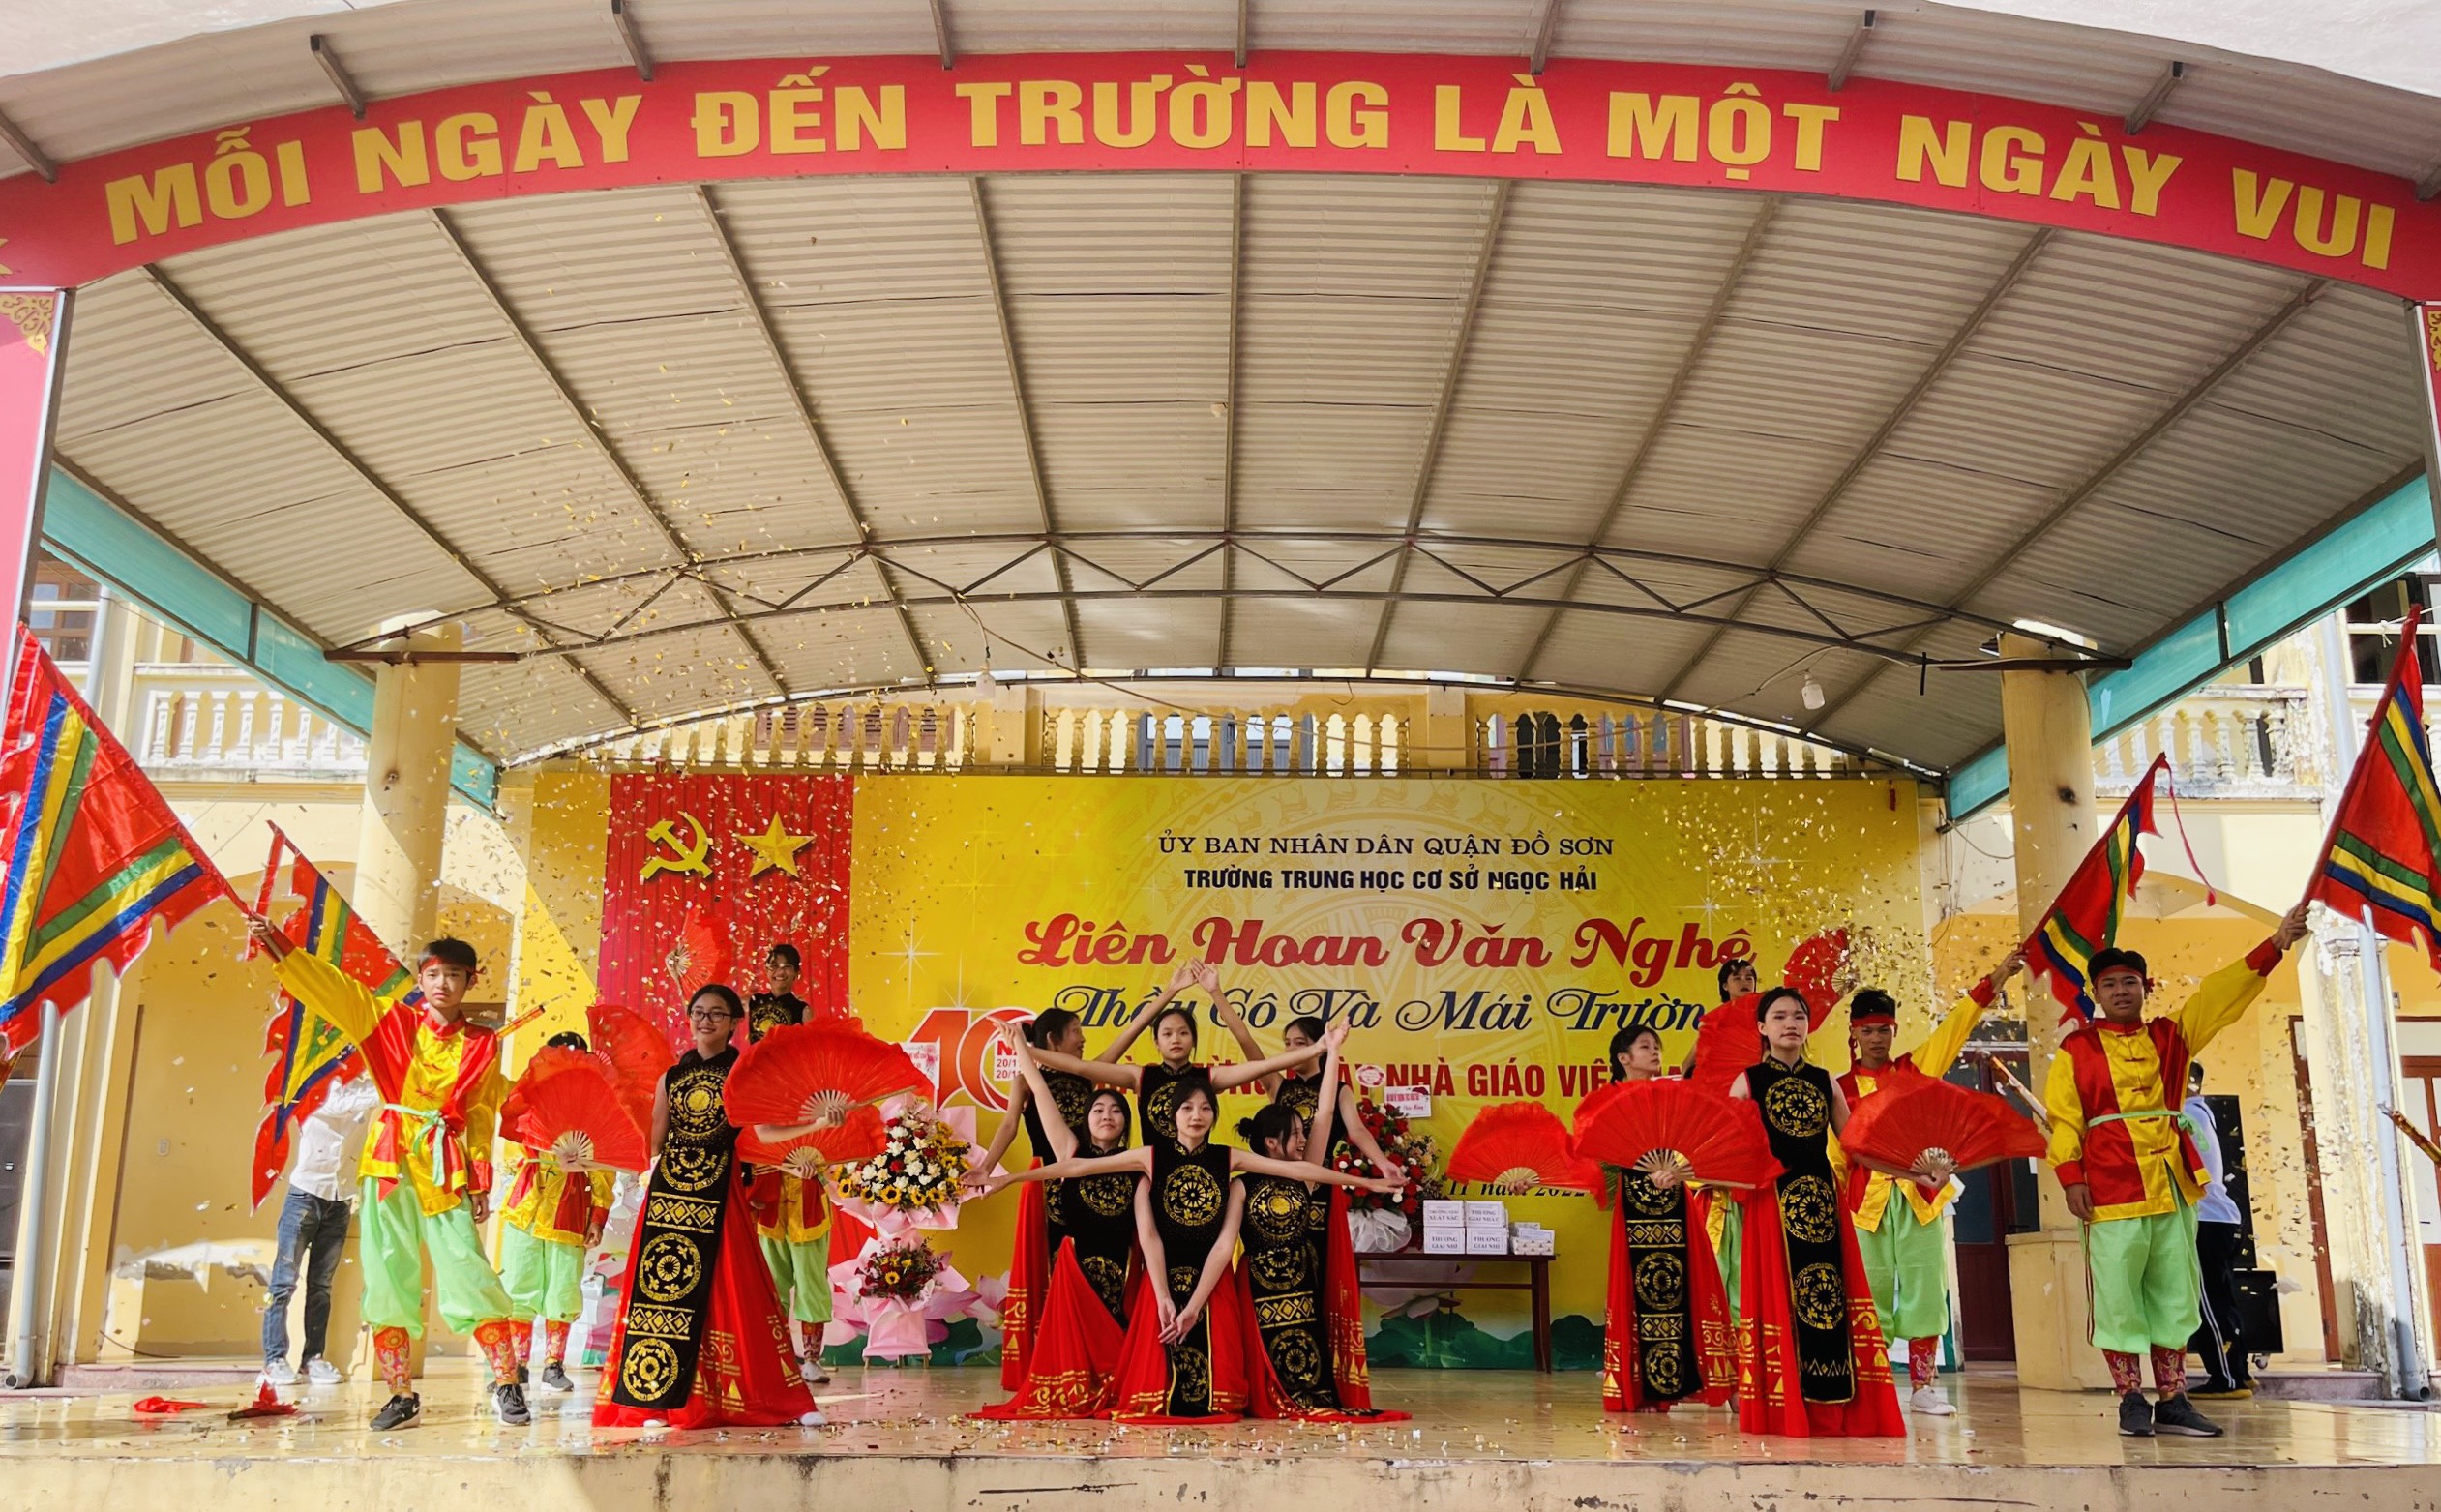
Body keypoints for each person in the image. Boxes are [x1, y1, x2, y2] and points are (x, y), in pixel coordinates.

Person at [971, 1069, 1398, 1422]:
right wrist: (1009, 1178)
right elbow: (1084, 1173)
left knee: (1219, 1402)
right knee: (1152, 1397)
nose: (1196, 1115)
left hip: (1213, 1284)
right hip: (1162, 1280)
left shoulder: (1228, 1159)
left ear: (1214, 1115)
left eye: (1205, 1108)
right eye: (1188, 1108)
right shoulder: (1150, 1157)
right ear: (1172, 1114)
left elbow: (1301, 1174)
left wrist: (1367, 1182)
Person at [246, 915, 529, 1430]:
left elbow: (482, 1113)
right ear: (421, 979)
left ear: (471, 981)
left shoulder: (482, 1044)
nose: (444, 984)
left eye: (455, 975)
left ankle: (508, 1383)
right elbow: (333, 988)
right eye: (435, 974)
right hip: (389, 1163)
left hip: (444, 1165)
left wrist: (480, 1179)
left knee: (469, 1269)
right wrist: (277, 944)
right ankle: (401, 1394)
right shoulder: (387, 1021)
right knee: (388, 1276)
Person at [2043, 903, 2307, 1439]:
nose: (2121, 991)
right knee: (2117, 1293)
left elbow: (2218, 995)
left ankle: (2173, 1399)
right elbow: (2064, 1119)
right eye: (2110, 984)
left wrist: (2276, 944)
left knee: (2175, 1293)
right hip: (2109, 1188)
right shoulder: (2075, 1048)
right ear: (2096, 992)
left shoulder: (2173, 1036)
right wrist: (2071, 1177)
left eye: (2130, 982)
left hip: (2171, 1184)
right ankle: (2129, 1399)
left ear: (2146, 987)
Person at [592, 985, 819, 1430]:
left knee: (736, 1292)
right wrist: (600, 1147)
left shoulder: (744, 1073)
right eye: (699, 1012)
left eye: (717, 1014)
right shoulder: (671, 1078)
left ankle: (777, 1399)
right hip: (668, 1196)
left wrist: (816, 1124)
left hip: (720, 1192)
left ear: (735, 1023)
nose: (706, 1021)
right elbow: (652, 1145)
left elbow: (763, 1133)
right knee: (661, 1294)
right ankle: (655, 1401)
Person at [1835, 945, 2022, 1417]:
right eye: (1867, 1031)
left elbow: (1955, 1027)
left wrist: (1996, 979)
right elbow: (1837, 1156)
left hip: (1919, 1197)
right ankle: (1873, 1387)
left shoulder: (1913, 1071)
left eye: (1884, 1030)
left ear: (1895, 1030)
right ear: (1853, 1033)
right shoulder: (1839, 1088)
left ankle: (1922, 1387)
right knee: (1869, 1293)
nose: (1876, 1039)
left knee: (1925, 1289)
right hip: (1864, 1204)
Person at [1730, 988, 1904, 1438]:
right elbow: (1727, 1150)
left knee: (1826, 1299)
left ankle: (1830, 1407)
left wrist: (1912, 1168)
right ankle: (1784, 1407)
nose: (1790, 1024)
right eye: (1779, 1016)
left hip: (1822, 1201)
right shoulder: (1747, 1083)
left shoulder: (1825, 1081)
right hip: (1772, 1201)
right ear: (1762, 1027)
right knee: (1781, 1296)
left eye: (1798, 1016)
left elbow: (1857, 1145)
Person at [1234, 1025, 1406, 1421]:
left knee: (1311, 1309)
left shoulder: (1307, 1176)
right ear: (1271, 1141)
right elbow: (1226, 1243)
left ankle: (1313, 1387)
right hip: (1256, 1280)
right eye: (1295, 1133)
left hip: (1302, 1262)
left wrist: (1334, 1050)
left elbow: (1327, 1115)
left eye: (1302, 1132)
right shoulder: (1242, 1181)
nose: (1303, 1138)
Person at [967, 1000, 1138, 1389]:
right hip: (1046, 1181)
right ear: (1052, 1038)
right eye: (1076, 1031)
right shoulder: (1027, 1079)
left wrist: (1163, 999)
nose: (1083, 1039)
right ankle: (1053, 1358)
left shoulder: (1086, 1074)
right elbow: (1009, 1124)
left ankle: (1097, 1353)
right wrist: (988, 1168)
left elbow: (1128, 1036)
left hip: (1087, 1177)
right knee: (1051, 1268)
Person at [1026, 961, 1331, 1144]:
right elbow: (1080, 1068)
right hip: (1151, 1175)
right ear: (1156, 1042)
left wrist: (1318, 1048)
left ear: (1193, 1041)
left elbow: (1260, 1061)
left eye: (1184, 1033)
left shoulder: (1208, 1077)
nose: (1176, 1040)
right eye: (1167, 1034)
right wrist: (1027, 1051)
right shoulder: (1140, 1076)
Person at [1594, 1023, 1734, 1414]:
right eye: (1645, 1047)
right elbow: (1592, 1158)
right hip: (1634, 1202)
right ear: (1624, 1058)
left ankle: (1694, 1381)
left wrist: (1679, 1168)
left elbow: (1696, 1141)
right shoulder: (1608, 1103)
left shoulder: (1673, 1093)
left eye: (1657, 1046)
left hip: (1675, 1197)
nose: (1655, 1052)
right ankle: (1644, 1388)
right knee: (1639, 1290)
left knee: (1688, 1285)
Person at [496, 1031, 615, 1396]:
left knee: (563, 1287)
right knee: (518, 1283)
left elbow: (604, 1171)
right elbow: (511, 1133)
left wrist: (597, 1217)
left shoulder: (598, 1108)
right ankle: (516, 1366)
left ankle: (553, 1365)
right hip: (527, 1202)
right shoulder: (529, 1095)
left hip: (570, 1207)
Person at [743, 959, 833, 1387]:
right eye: (772, 965)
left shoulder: (815, 1087)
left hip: (808, 1194)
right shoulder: (753, 1084)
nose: (778, 972)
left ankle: (811, 1359)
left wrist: (817, 1162)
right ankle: (776, 1357)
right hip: (768, 1190)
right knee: (771, 1281)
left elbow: (832, 1140)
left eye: (785, 967)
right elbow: (753, 1138)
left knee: (811, 1280)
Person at [259, 1071, 377, 1387]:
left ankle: (312, 1359)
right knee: (283, 1282)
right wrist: (386, 1085)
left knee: (321, 1286)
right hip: (305, 1195)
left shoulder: (367, 1082)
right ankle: (273, 1360)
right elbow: (336, 1103)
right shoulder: (318, 1080)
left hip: (340, 1199)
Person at [2184, 1062, 2252, 1400]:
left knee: (2208, 1302)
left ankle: (2226, 1378)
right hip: (2221, 1220)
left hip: (2207, 1220)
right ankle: (2238, 1371)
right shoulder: (2200, 1112)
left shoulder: (2186, 1115)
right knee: (2221, 1299)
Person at [1272, 1014, 1401, 1179]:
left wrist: (1383, 1163)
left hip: (1319, 1178)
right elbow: (1248, 1045)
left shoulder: (1340, 1090)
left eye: (1300, 1043)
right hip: (1278, 1176)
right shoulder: (1277, 1085)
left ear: (1321, 1046)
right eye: (1287, 1043)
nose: (1290, 1050)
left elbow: (1357, 1131)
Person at [746, 943, 808, 1040]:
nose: (780, 972)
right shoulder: (754, 1001)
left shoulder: (803, 1010)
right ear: (767, 970)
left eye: (787, 966)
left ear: (796, 972)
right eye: (774, 966)